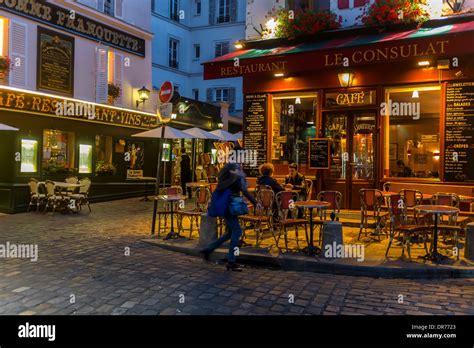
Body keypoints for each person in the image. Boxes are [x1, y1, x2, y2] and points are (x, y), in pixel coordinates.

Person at [200, 163, 260, 271]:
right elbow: (245, 191)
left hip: (225, 208)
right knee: (237, 231)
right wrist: (255, 203)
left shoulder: (224, 180)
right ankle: (231, 261)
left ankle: (208, 249)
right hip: (231, 208)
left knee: (230, 233)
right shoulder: (235, 179)